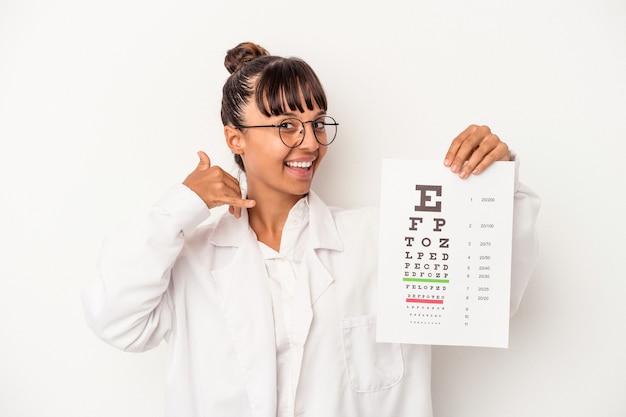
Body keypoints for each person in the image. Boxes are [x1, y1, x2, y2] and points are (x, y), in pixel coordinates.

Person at [82, 42, 540, 417]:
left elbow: (492, 300)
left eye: (317, 123)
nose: (310, 142)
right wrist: (178, 209)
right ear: (234, 139)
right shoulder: (192, 260)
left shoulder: (384, 238)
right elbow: (115, 320)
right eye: (286, 125)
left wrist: (498, 182)